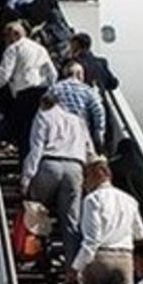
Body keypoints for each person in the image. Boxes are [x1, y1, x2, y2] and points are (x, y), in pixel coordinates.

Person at [69, 155, 143, 284]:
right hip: (125, 258)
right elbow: (140, 233)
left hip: (100, 257)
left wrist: (75, 267)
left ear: (100, 173)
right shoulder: (130, 200)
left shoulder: (93, 200)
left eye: (87, 176)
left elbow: (92, 240)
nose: (84, 183)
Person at [21, 90, 96, 262]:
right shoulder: (78, 120)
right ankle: (72, 266)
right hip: (75, 168)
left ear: (42, 104)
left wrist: (26, 179)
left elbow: (36, 150)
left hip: (49, 165)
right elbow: (89, 150)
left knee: (37, 213)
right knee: (71, 220)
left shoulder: (43, 116)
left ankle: (40, 257)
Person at [0, 22, 57, 159]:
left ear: (15, 34)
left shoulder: (13, 48)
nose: (5, 39)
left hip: (25, 93)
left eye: (6, 35)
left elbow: (4, 74)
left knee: (24, 131)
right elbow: (53, 73)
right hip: (42, 91)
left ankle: (25, 162)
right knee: (39, 129)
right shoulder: (40, 48)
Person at [52, 61, 106, 152]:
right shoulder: (88, 90)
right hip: (81, 131)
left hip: (59, 131)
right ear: (79, 74)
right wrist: (99, 133)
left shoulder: (55, 88)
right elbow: (98, 111)